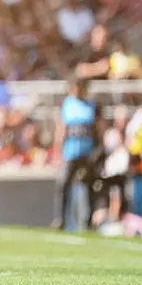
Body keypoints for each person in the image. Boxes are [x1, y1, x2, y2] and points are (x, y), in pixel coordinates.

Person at [52, 77, 100, 231]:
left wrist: (98, 151)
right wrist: (58, 151)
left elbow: (98, 129)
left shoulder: (92, 105)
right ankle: (61, 219)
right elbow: (61, 129)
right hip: (70, 152)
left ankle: (89, 220)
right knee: (64, 184)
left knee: (90, 186)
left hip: (87, 152)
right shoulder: (68, 105)